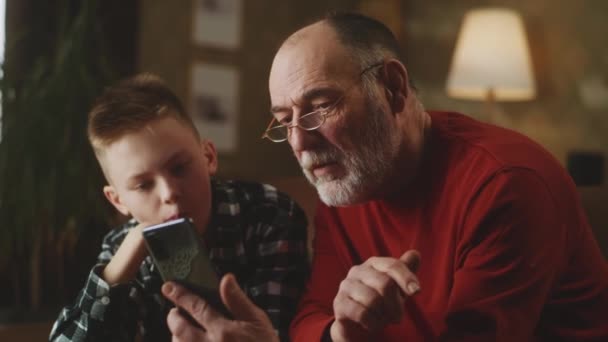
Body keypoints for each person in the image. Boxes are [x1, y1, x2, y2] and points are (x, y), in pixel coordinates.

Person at [263, 11, 608, 342]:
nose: (298, 139)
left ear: (393, 88)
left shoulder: (507, 183)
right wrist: (341, 333)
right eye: (284, 120)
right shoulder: (346, 179)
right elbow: (311, 317)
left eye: (321, 105)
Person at [49, 73, 309, 342]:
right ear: (118, 200)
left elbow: (280, 332)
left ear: (208, 157)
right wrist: (114, 276)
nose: (169, 193)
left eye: (179, 168)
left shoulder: (270, 214)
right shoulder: (120, 247)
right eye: (143, 185)